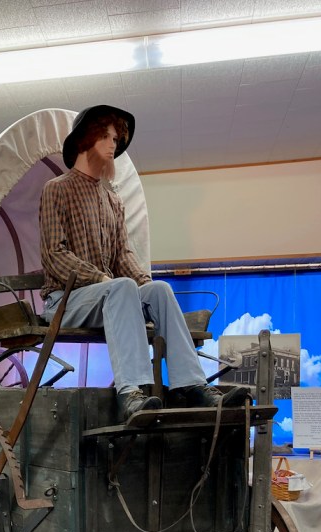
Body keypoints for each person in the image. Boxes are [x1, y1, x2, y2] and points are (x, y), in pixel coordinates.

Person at [39, 104, 248, 424]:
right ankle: (131, 392)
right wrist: (102, 279)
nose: (114, 144)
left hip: (107, 294)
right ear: (85, 139)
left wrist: (143, 282)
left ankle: (191, 386)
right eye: (106, 136)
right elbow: (54, 253)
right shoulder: (56, 190)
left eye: (116, 138)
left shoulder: (113, 201)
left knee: (160, 290)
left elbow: (123, 255)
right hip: (66, 300)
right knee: (121, 287)